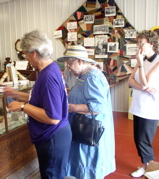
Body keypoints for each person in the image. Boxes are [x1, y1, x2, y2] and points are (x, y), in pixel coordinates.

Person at [3, 29, 72, 179]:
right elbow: (42, 98)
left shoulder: (48, 77)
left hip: (53, 137)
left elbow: (53, 117)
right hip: (55, 136)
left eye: (25, 54)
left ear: (34, 53)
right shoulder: (50, 68)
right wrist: (16, 94)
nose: (26, 58)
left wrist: (22, 106)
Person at [57, 45, 116, 179]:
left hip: (88, 130)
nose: (67, 66)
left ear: (80, 61)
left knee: (87, 164)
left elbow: (98, 107)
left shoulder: (92, 77)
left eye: (70, 63)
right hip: (83, 127)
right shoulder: (84, 75)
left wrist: (73, 108)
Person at [128, 30, 159, 177]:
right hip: (139, 105)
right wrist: (142, 85)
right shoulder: (142, 60)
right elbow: (130, 81)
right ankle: (146, 166)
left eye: (141, 43)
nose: (139, 46)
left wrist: (140, 64)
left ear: (151, 44)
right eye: (138, 42)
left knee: (144, 140)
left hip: (150, 108)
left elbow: (145, 82)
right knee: (138, 139)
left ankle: (149, 168)